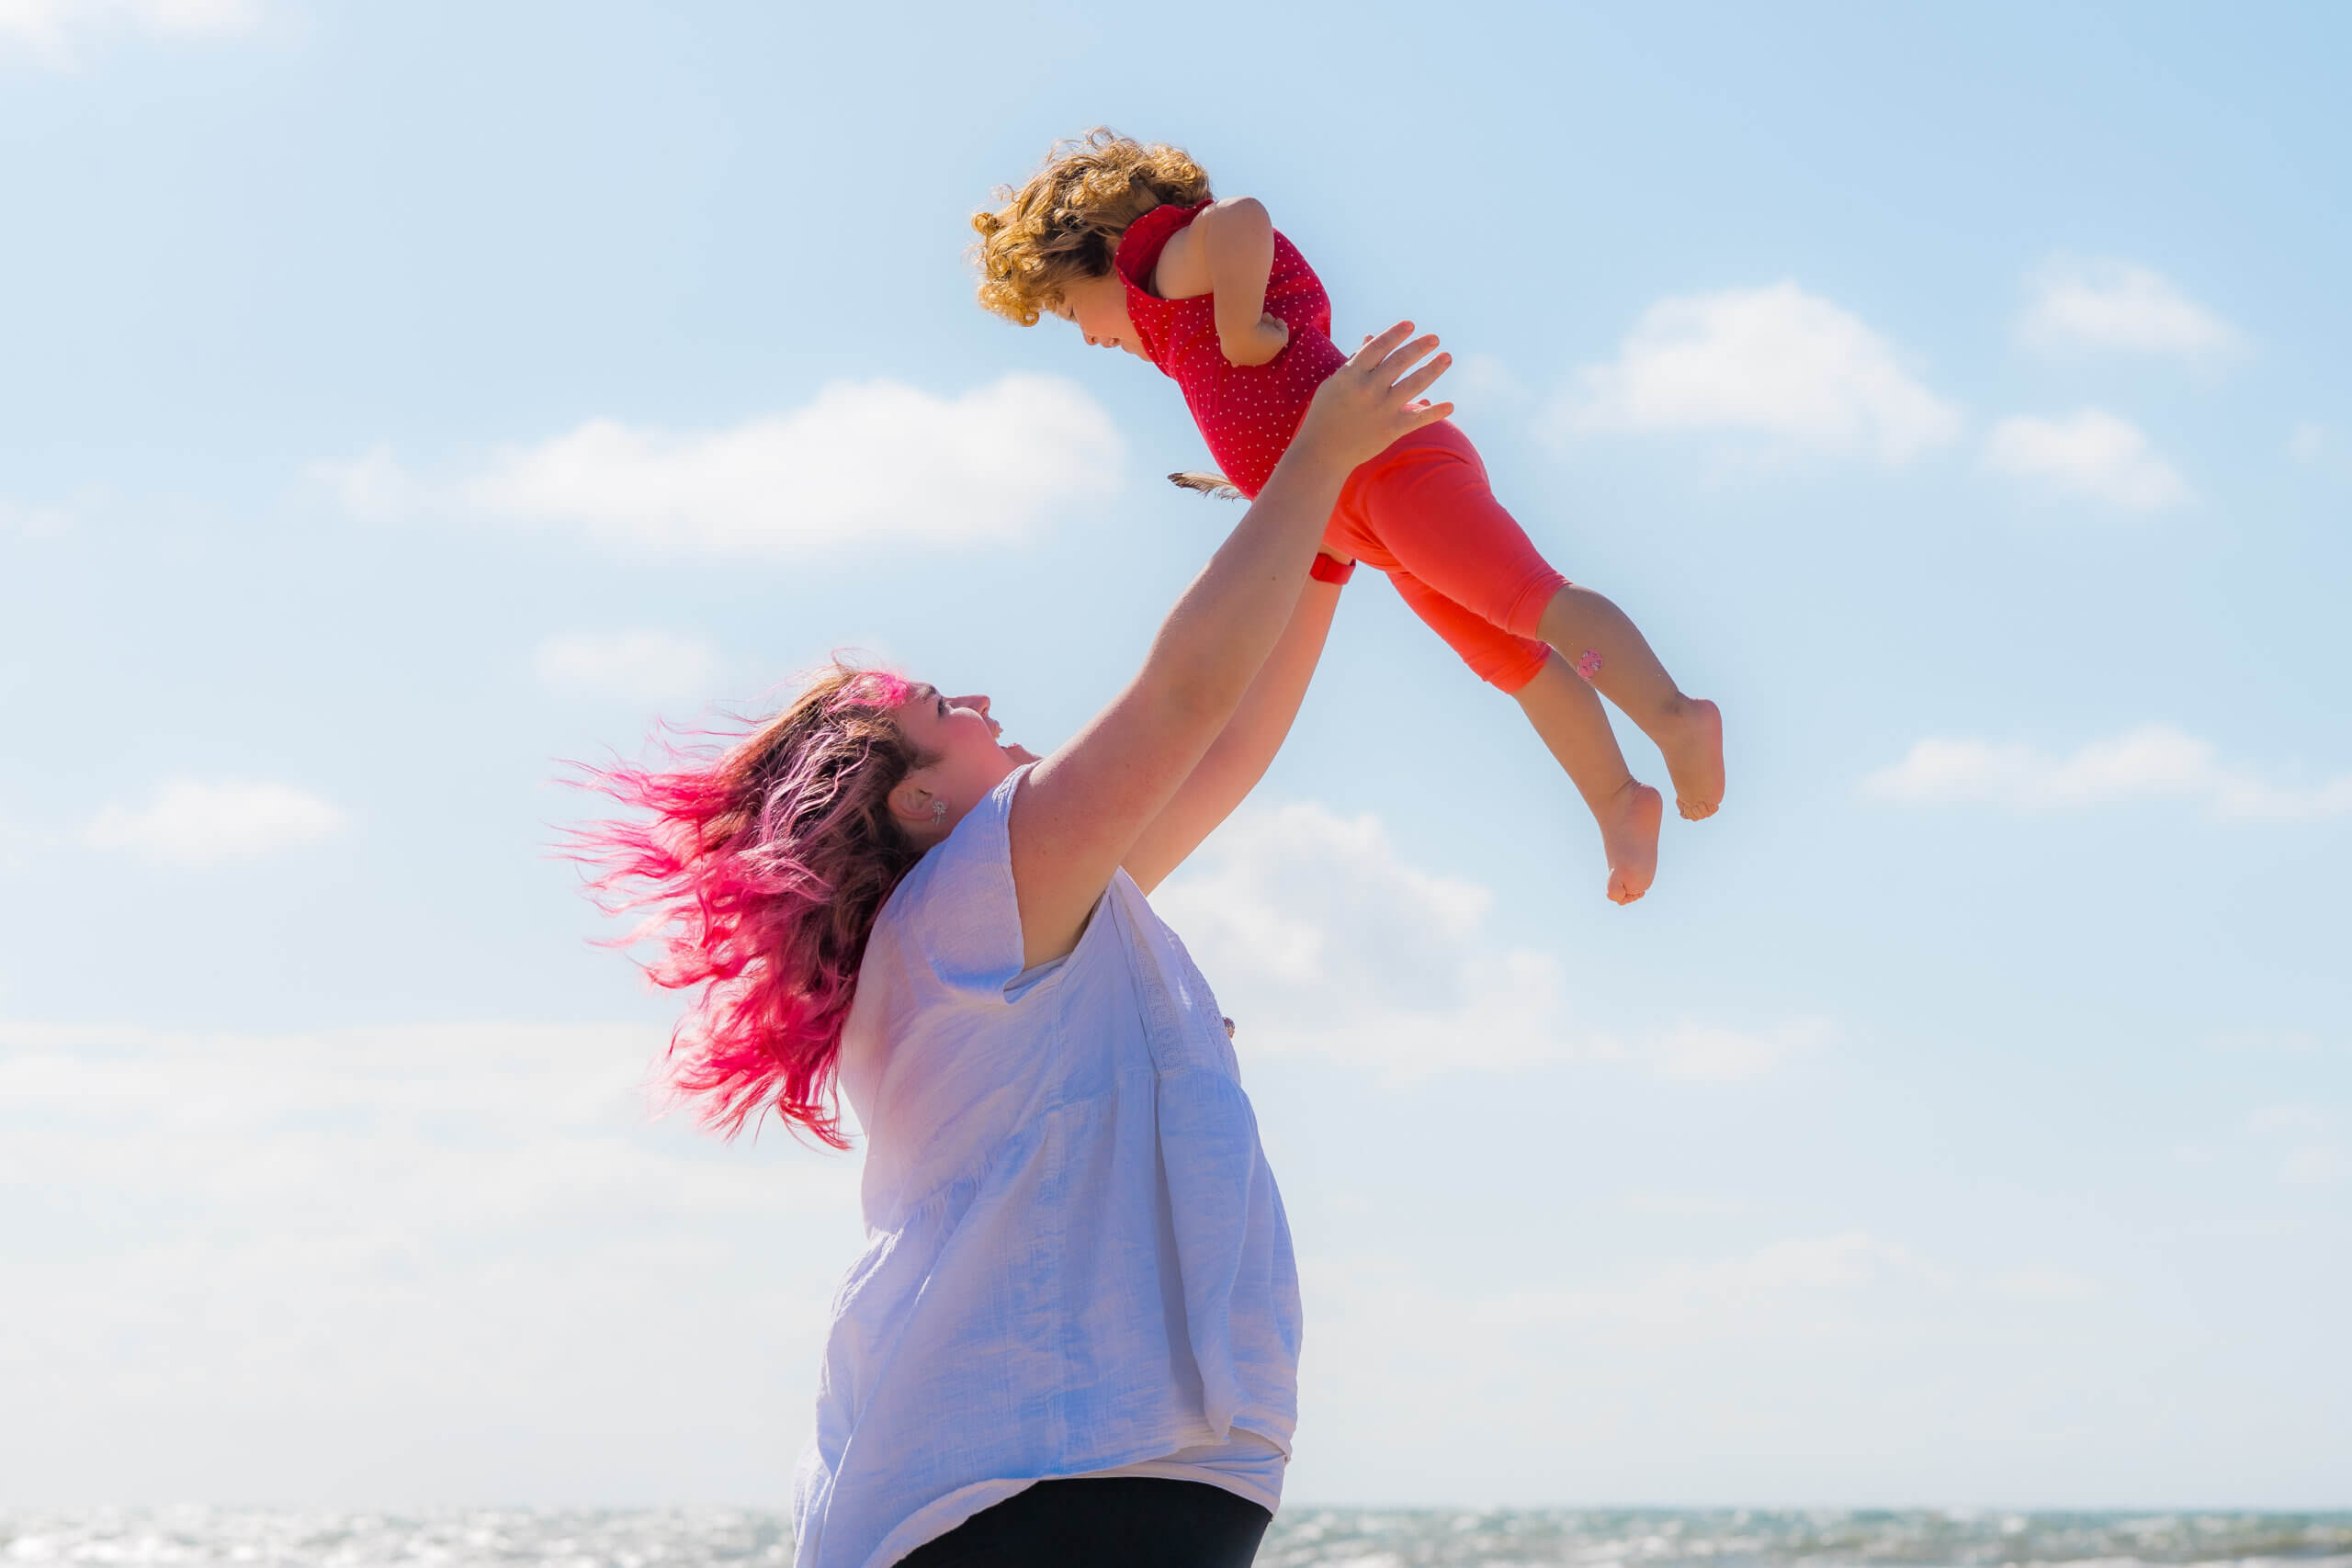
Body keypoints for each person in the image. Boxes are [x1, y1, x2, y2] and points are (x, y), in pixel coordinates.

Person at [571, 325, 1455, 1568]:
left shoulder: (1029, 919)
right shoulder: (978, 901)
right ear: (918, 805)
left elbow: (1222, 749)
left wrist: (1321, 547)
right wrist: (1313, 462)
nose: (982, 699)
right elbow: (1183, 702)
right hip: (1026, 1474)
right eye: (945, 712)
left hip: (1093, 1467)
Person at [971, 129, 1726, 905]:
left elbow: (1242, 219)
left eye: (1070, 311)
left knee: (1535, 602)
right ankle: (1616, 798)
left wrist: (1239, 326)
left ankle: (1674, 715)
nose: (1093, 336)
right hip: (1362, 513)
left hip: (1389, 467)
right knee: (1515, 661)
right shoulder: (1171, 331)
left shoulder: (1154, 266)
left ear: (1093, 247)